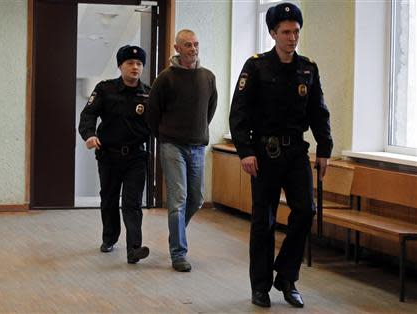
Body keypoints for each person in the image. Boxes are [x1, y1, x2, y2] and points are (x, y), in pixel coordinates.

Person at [229, 3, 333, 308]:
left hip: (296, 151)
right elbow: (239, 114)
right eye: (285, 32)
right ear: (273, 33)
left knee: (306, 211)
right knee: (264, 220)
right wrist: (245, 151)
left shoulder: (307, 68)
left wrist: (324, 149)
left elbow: (318, 112)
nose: (292, 37)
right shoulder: (256, 66)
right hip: (263, 152)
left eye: (296, 31)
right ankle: (260, 286)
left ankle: (286, 277)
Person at [147, 29, 218, 272]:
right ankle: (179, 253)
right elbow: (152, 113)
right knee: (178, 199)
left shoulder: (208, 77)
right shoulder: (165, 78)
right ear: (177, 49)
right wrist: (164, 137)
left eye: (196, 44)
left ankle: (175, 233)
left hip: (197, 145)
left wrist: (197, 132)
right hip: (171, 145)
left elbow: (209, 109)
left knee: (196, 199)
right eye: (187, 45)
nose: (193, 49)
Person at [78, 45, 151, 264]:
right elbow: (88, 115)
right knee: (109, 199)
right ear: (120, 66)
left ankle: (134, 249)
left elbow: (159, 122)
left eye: (139, 64)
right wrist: (89, 135)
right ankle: (109, 238)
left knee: (133, 203)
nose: (135, 67)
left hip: (136, 157)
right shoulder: (105, 89)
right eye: (130, 63)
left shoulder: (149, 93)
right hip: (109, 155)